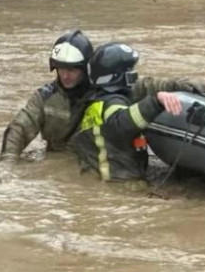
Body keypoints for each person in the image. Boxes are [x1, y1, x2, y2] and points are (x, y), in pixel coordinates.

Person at [0, 30, 205, 161]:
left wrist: (178, 85)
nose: (65, 75)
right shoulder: (44, 98)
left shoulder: (107, 89)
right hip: (63, 162)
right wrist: (7, 164)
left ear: (85, 69)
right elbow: (19, 129)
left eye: (71, 69)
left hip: (99, 163)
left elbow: (146, 86)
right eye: (60, 69)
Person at [71, 42, 189, 182]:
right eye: (130, 70)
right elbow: (123, 124)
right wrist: (156, 102)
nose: (134, 75)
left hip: (104, 178)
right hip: (119, 184)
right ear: (119, 75)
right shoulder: (112, 103)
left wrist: (174, 86)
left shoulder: (97, 101)